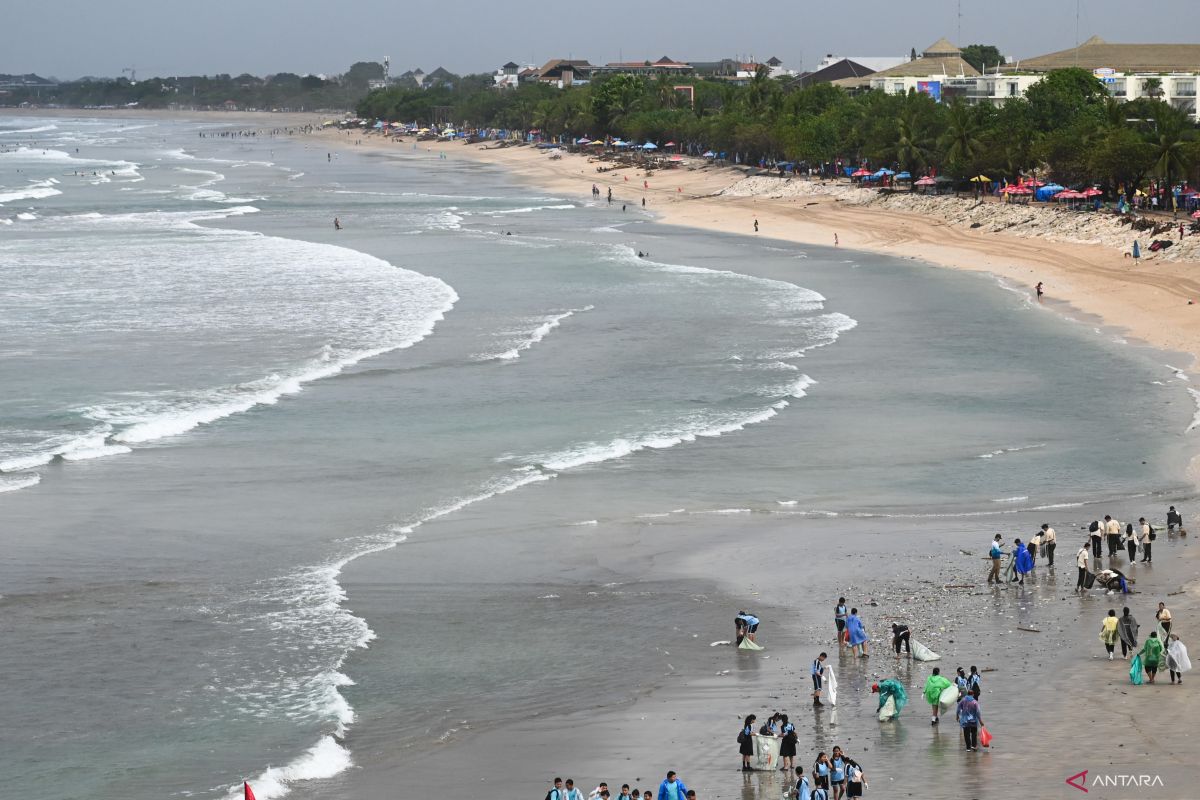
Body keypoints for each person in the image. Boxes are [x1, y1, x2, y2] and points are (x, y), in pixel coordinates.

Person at [956, 687, 983, 751]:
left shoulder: (963, 700)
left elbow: (958, 709)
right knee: (974, 733)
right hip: (973, 720)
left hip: (965, 720)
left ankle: (968, 747)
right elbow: (978, 712)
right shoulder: (975, 702)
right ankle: (973, 746)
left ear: (967, 694)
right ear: (973, 694)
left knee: (966, 734)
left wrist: (957, 716)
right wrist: (980, 721)